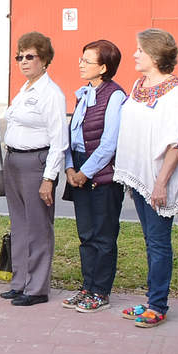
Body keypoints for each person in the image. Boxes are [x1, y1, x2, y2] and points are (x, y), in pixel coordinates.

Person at [112, 28, 178, 329]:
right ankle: (150, 299)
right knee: (150, 240)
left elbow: (177, 141)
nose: (134, 54)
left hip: (159, 178)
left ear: (156, 55)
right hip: (141, 176)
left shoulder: (176, 92)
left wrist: (160, 182)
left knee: (159, 243)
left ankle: (158, 304)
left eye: (140, 50)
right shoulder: (139, 84)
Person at [0, 31, 68, 306]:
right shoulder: (24, 89)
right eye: (20, 57)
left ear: (44, 59)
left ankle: (37, 287)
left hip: (36, 163)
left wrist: (48, 178)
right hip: (13, 161)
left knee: (38, 227)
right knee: (19, 225)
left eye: (30, 57)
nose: (24, 62)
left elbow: (59, 140)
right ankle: (20, 281)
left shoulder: (50, 93)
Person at [62, 39, 126, 313]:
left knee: (103, 234)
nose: (81, 64)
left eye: (87, 60)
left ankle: (100, 290)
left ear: (103, 67)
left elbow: (109, 142)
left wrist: (85, 172)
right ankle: (87, 286)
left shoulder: (115, 95)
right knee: (86, 233)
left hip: (101, 173)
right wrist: (69, 168)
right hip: (77, 166)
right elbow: (72, 134)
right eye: (81, 58)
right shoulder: (84, 93)